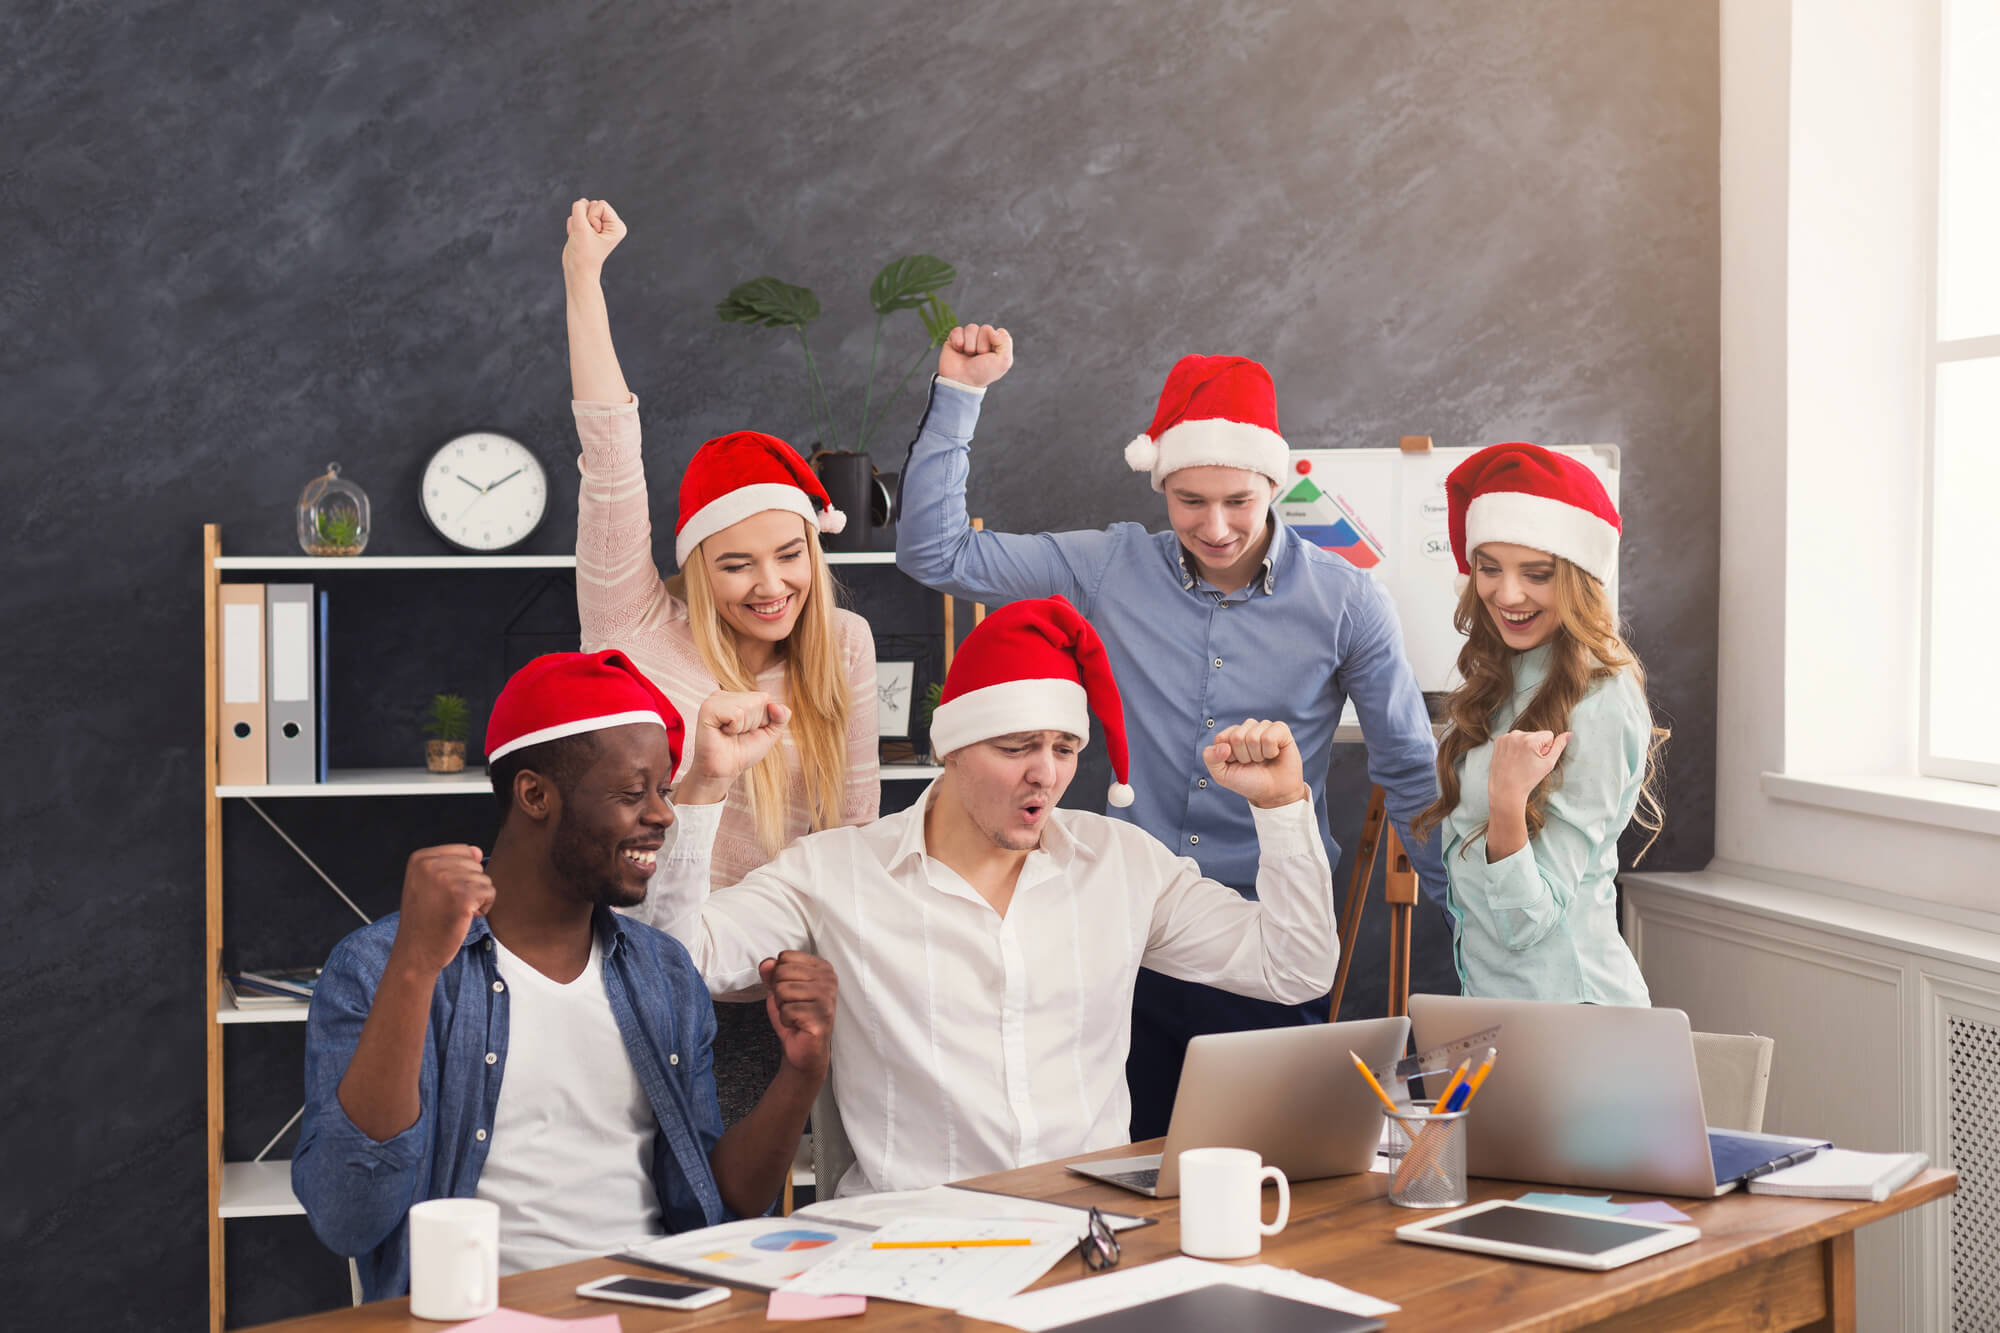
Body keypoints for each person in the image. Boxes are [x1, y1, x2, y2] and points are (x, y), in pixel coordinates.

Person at [892, 330, 1445, 1137]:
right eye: (1190, 501)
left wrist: (1475, 917)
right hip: (1127, 938)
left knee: (1276, 1171)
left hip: (1270, 936)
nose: (1216, 526)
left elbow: (1409, 768)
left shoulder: (1348, 602)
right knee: (1127, 1175)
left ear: (1275, 483)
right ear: (1162, 485)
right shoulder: (1109, 567)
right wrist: (960, 396)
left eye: (1238, 501)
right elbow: (936, 551)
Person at [629, 596, 1339, 1197]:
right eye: (1016, 746)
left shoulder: (1123, 864)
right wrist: (703, 789)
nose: (1046, 774)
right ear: (953, 747)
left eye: (1064, 746)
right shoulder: (833, 873)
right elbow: (673, 963)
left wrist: (1281, 807)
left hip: (1089, 1234)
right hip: (911, 1248)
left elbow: (1295, 970)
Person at [292, 651, 837, 1299]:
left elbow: (717, 1207)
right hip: (481, 1309)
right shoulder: (378, 964)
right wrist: (415, 964)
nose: (664, 815)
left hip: (657, 1305)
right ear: (535, 795)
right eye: (634, 793)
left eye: (663, 790)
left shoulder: (663, 970)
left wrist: (801, 1072)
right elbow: (348, 1217)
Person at [562, 197, 879, 1120]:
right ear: (698, 567)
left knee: (750, 1216)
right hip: (630, 973)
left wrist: (818, 971)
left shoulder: (843, 648)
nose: (769, 586)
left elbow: (851, 829)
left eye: (789, 557)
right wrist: (585, 279)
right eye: (735, 565)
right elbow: (610, 452)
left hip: (770, 988)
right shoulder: (633, 623)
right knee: (642, 1214)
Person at [1410, 443, 1666, 1006]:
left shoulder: (1602, 696)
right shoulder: (1502, 674)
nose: (1508, 594)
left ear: (1577, 578)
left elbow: (1529, 922)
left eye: (1537, 573)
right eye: (1489, 567)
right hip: (1506, 1008)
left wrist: (1506, 802)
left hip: (1575, 1016)